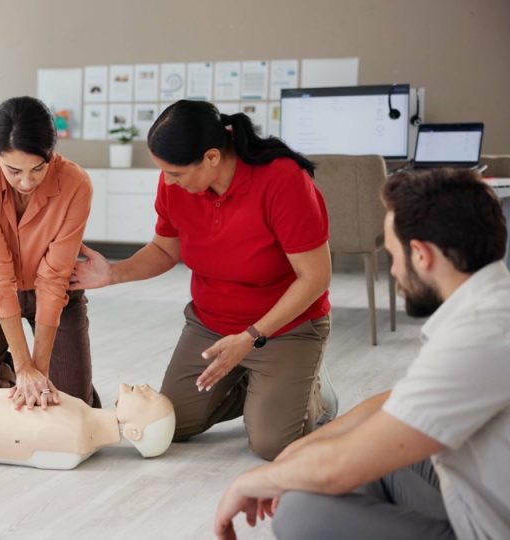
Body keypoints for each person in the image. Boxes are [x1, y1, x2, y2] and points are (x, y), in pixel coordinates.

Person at [213, 169, 510, 540]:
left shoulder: (480, 337)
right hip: (484, 493)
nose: (395, 270)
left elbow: (337, 468)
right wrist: (305, 447)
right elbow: (399, 403)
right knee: (350, 457)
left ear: (421, 254)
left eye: (392, 254)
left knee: (303, 513)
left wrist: (248, 482)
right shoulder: (491, 303)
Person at [71, 100, 335, 460]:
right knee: (170, 426)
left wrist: (251, 337)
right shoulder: (176, 185)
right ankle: (266, 389)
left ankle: (313, 393)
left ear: (212, 157)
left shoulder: (283, 180)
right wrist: (113, 273)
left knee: (273, 444)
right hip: (211, 325)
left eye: (175, 173)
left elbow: (315, 277)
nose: (167, 181)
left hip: (284, 328)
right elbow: (166, 250)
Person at [0, 96, 99, 412]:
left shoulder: (76, 183)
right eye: (14, 170)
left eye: (37, 169)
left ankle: (34, 369)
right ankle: (6, 365)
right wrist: (22, 365)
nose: (26, 182)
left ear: (51, 154)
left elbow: (54, 277)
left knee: (72, 408)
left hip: (58, 295)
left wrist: (37, 371)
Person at [0, 383, 174, 470]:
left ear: (135, 432)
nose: (145, 386)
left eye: (150, 397)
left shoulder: (76, 439)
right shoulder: (81, 419)